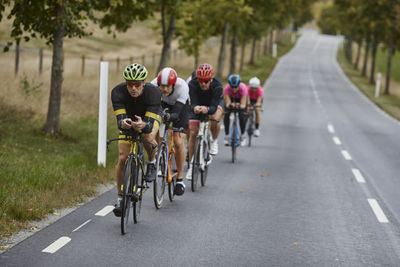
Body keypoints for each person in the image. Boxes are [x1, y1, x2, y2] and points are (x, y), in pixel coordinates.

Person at [111, 63, 162, 217]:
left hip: (148, 117)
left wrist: (143, 125)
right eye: (130, 84)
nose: (133, 88)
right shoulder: (117, 92)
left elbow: (149, 125)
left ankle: (152, 162)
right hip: (130, 118)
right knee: (122, 158)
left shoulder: (154, 93)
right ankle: (120, 198)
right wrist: (123, 124)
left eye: (137, 85)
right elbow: (119, 120)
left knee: (147, 136)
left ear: (144, 83)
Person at [151, 67, 189, 196]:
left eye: (168, 86)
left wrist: (168, 116)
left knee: (178, 142)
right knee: (155, 126)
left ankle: (179, 178)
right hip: (162, 104)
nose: (165, 89)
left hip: (180, 107)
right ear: (158, 83)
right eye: (162, 86)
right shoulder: (153, 85)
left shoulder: (182, 87)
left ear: (173, 84)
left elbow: (177, 113)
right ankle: (160, 154)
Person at [186, 63, 223, 180]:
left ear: (211, 79)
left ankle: (214, 141)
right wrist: (195, 108)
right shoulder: (192, 84)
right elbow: (192, 103)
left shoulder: (217, 85)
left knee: (215, 119)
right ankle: (192, 166)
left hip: (213, 103)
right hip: (198, 103)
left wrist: (208, 109)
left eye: (206, 81)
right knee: (192, 132)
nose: (203, 83)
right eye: (201, 80)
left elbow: (213, 106)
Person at [223, 74, 248, 146]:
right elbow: (227, 103)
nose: (234, 89)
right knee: (226, 115)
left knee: (242, 116)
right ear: (229, 85)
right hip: (231, 100)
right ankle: (227, 135)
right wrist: (230, 105)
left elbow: (243, 105)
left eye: (236, 87)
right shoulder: (226, 88)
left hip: (241, 100)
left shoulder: (243, 88)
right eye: (232, 87)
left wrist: (239, 105)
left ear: (239, 85)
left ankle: (243, 135)